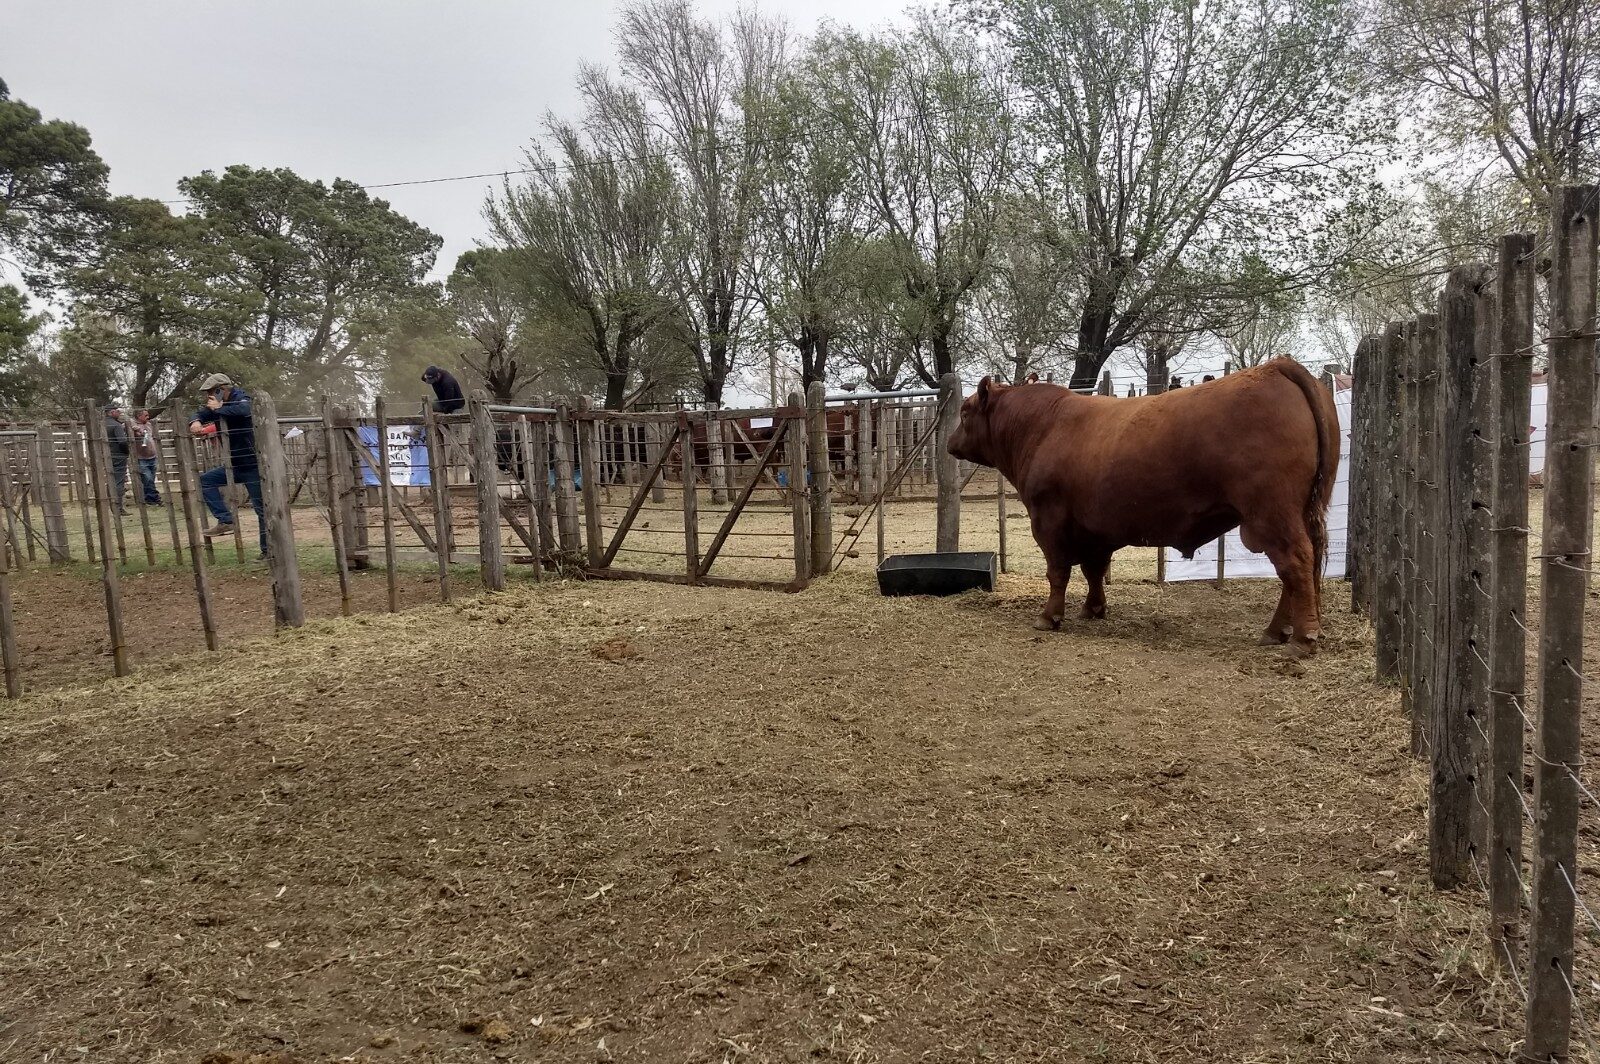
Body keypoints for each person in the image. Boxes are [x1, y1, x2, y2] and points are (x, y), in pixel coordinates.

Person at [190, 373, 267, 556]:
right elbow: (200, 412)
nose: (207, 396)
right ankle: (226, 520)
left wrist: (218, 409)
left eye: (210, 392)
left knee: (262, 509)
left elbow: (244, 411)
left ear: (220, 390)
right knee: (205, 481)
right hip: (234, 465)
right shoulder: (217, 405)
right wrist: (195, 421)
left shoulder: (242, 398)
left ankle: (268, 551)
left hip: (252, 464)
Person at [131, 409, 162, 505]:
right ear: (139, 416)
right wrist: (137, 428)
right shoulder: (132, 425)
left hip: (152, 456)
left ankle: (149, 498)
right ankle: (155, 498)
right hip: (141, 457)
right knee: (147, 478)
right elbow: (127, 423)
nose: (148, 417)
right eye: (146, 415)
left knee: (150, 479)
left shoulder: (148, 424)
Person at [104, 404, 130, 515]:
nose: (119, 413)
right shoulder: (116, 425)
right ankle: (118, 507)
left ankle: (112, 506)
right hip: (118, 455)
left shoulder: (102, 424)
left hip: (106, 454)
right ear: (111, 412)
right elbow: (123, 441)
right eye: (117, 411)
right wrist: (126, 451)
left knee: (110, 480)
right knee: (118, 481)